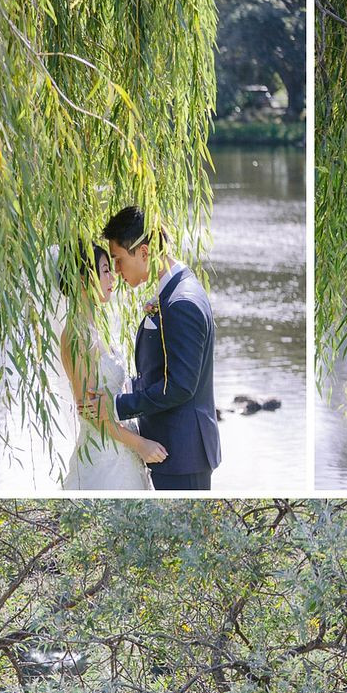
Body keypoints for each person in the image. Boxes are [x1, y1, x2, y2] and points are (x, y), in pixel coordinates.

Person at [102, 206, 221, 491]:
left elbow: (180, 385)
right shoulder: (174, 292)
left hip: (182, 453)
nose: (116, 270)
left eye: (118, 259)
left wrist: (117, 406)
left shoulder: (182, 303)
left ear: (143, 252)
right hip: (172, 449)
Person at [58, 241, 167, 490]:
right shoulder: (77, 335)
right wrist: (140, 444)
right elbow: (89, 411)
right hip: (104, 452)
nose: (113, 277)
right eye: (105, 270)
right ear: (84, 278)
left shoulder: (96, 327)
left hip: (122, 445)